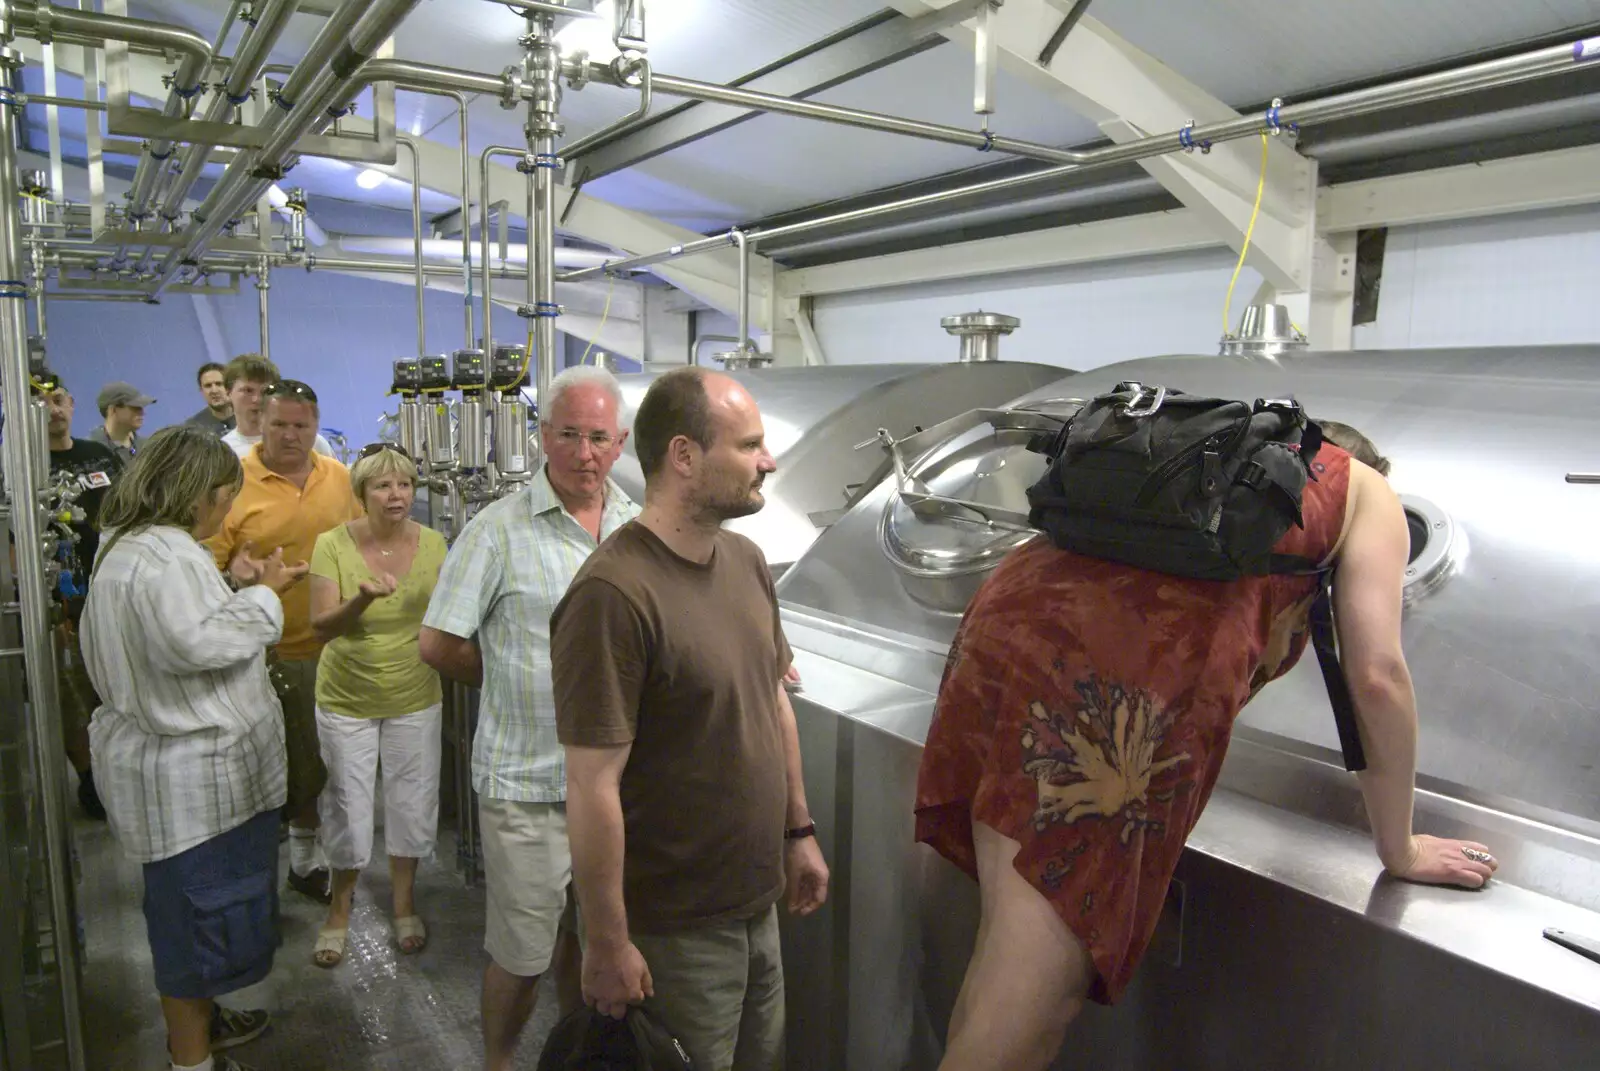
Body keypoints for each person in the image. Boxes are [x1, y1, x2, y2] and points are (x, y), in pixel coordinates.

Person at [913, 417, 1501, 1071]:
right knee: (1036, 999)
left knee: (1003, 948)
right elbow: (1378, 677)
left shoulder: (1213, 471)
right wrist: (1403, 846)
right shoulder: (1365, 490)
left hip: (1004, 615)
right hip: (1103, 673)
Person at [551, 367, 829, 1071]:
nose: (768, 460)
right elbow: (591, 785)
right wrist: (608, 941)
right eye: (749, 445)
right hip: (672, 926)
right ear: (683, 455)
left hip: (754, 901)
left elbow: (771, 703)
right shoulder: (613, 594)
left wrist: (799, 831)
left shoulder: (745, 560)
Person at [419, 365, 640, 1071]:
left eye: (599, 437)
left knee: (596, 932)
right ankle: (500, 1059)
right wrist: (521, 677)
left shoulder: (637, 526)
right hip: (528, 782)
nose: (584, 453)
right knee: (521, 948)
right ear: (543, 437)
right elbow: (439, 642)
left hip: (613, 786)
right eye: (569, 434)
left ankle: (575, 1052)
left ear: (621, 442)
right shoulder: (497, 530)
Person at [80, 425, 308, 1071]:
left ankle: (206, 1023)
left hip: (175, 773)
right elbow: (196, 644)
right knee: (195, 930)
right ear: (200, 493)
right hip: (196, 784)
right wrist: (266, 595)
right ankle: (192, 1059)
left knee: (200, 920)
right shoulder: (169, 556)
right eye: (224, 497)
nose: (227, 512)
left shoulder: (126, 544)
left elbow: (177, 632)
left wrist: (235, 588)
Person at [207, 379, 360, 904]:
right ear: (259, 422)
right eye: (279, 425)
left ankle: (313, 858)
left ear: (316, 425)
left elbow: (361, 542)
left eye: (301, 425)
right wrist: (235, 571)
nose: (291, 436)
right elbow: (206, 557)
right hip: (273, 650)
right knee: (290, 768)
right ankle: (289, 864)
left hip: (339, 647)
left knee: (331, 764)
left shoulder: (339, 477)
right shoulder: (232, 481)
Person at [306, 442, 447, 968]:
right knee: (347, 803)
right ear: (362, 494)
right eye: (384, 485)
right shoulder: (332, 545)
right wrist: (362, 598)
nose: (397, 494)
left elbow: (450, 613)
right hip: (347, 696)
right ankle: (339, 908)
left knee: (412, 800)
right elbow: (321, 626)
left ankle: (404, 901)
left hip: (414, 693)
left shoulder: (434, 544)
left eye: (405, 484)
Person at [33, 373, 122, 818]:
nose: (53, 410)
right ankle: (90, 778)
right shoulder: (19, 464)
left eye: (59, 400)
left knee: (112, 684)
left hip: (109, 592)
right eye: (41, 402)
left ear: (72, 404)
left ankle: (118, 770)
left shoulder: (98, 456)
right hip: (55, 601)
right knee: (72, 695)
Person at [219, 354, 333, 459]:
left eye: (264, 391)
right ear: (228, 393)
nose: (257, 399)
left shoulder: (310, 442)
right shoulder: (223, 451)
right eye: (248, 391)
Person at [88, 380, 155, 464]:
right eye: (135, 407)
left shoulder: (148, 448)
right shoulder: (90, 453)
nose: (142, 413)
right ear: (113, 410)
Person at [186, 362, 236, 435]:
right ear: (201, 391)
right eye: (208, 386)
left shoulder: (251, 417)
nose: (214, 391)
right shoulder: (193, 429)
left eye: (219, 384)